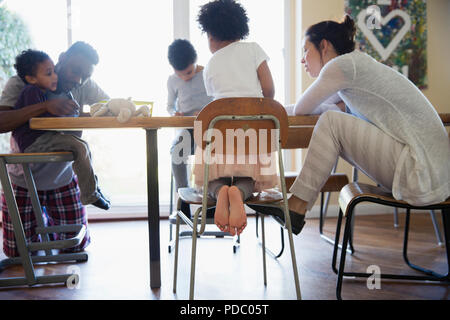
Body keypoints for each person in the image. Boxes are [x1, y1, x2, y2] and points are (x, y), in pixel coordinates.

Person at [257, 15, 450, 234]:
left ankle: (296, 207)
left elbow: (303, 109)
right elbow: (314, 108)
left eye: (305, 50)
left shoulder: (342, 65)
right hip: (432, 173)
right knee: (332, 119)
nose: (302, 60)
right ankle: (295, 208)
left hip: (420, 171)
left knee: (331, 121)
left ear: (324, 45)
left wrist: (266, 112)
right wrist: (264, 112)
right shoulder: (353, 68)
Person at [0, 41, 109, 257]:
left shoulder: (83, 84)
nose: (78, 79)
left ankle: (52, 223)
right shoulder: (24, 82)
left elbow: (109, 105)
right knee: (16, 253)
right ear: (61, 58)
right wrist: (44, 106)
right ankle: (41, 229)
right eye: (75, 70)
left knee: (75, 247)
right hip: (23, 179)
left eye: (84, 75)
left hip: (63, 177)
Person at [193, 0, 278, 236]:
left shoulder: (209, 65)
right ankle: (238, 194)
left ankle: (221, 192)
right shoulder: (253, 49)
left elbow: (220, 103)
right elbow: (269, 90)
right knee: (249, 178)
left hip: (219, 137)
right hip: (253, 136)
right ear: (241, 28)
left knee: (211, 180)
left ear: (210, 35)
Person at [167, 39, 212, 217]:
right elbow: (169, 105)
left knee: (211, 153)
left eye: (189, 72)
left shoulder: (208, 73)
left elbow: (218, 98)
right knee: (177, 151)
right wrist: (174, 112)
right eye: (180, 75)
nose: (185, 77)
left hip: (210, 127)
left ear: (195, 62)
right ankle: (182, 200)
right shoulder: (172, 81)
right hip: (187, 128)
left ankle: (211, 202)